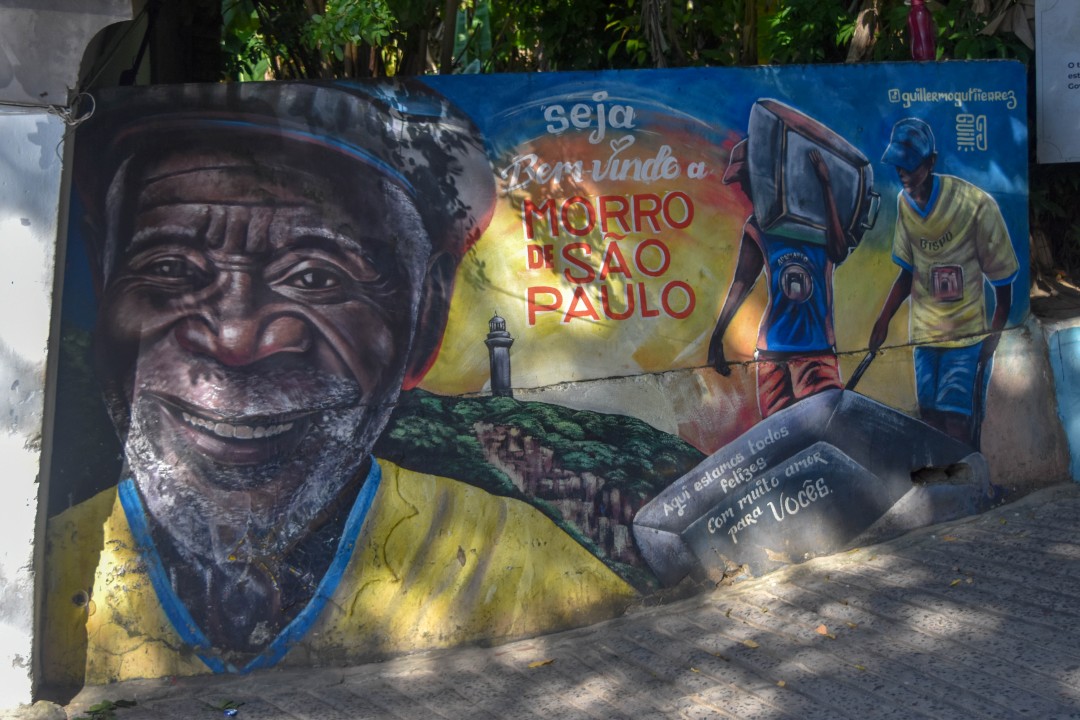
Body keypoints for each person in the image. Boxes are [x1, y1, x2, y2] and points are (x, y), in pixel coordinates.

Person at [44, 81, 635, 685]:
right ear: (102, 275)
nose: (237, 339)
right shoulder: (37, 575)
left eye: (314, 276)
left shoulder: (520, 566)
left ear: (426, 317)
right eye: (169, 268)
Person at [869, 117, 1019, 446]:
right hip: (925, 336)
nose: (903, 173)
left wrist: (991, 338)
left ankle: (967, 486)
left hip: (965, 336)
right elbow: (907, 273)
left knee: (957, 419)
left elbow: (1002, 282)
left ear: (931, 162)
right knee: (930, 420)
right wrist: (883, 321)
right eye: (899, 165)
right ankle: (944, 490)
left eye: (911, 165)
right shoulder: (904, 205)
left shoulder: (974, 206)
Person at [708, 138, 859, 417]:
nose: (743, 188)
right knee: (779, 438)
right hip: (772, 355)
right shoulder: (757, 227)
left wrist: (826, 186)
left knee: (824, 432)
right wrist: (717, 336)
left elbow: (838, 251)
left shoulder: (818, 221)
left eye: (746, 180)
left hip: (816, 351)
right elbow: (742, 282)